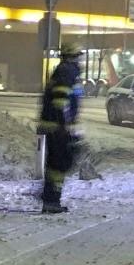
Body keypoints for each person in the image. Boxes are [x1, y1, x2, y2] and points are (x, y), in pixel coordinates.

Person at [37, 41, 84, 214]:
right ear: (72, 56)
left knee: (56, 165)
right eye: (78, 56)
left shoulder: (64, 71)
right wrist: (64, 126)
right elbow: (60, 101)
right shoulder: (67, 72)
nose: (80, 60)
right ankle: (51, 199)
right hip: (58, 127)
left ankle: (50, 198)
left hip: (55, 126)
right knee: (60, 164)